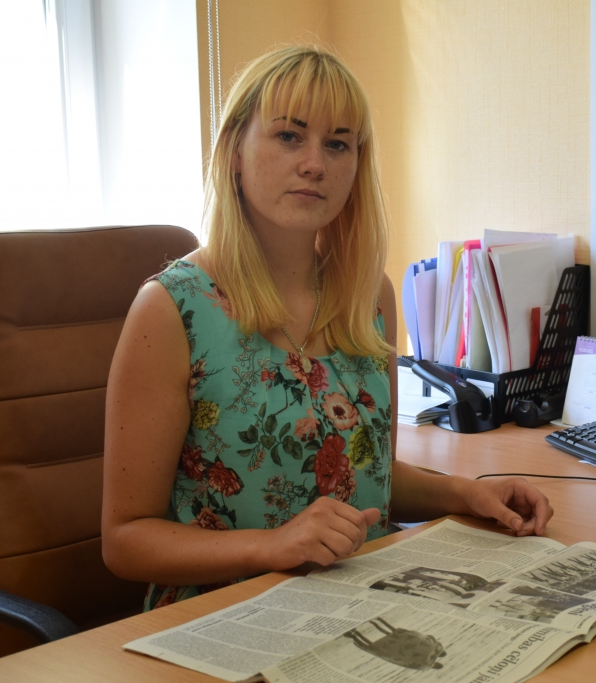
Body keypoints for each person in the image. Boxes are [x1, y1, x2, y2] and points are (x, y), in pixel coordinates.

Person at [101, 45, 553, 610]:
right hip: (228, 610)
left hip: (360, 593)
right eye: (289, 136)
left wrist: (467, 494)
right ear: (235, 152)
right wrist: (271, 547)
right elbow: (125, 540)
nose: (315, 162)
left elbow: (370, 475)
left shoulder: (369, 296)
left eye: (337, 143)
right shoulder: (171, 310)